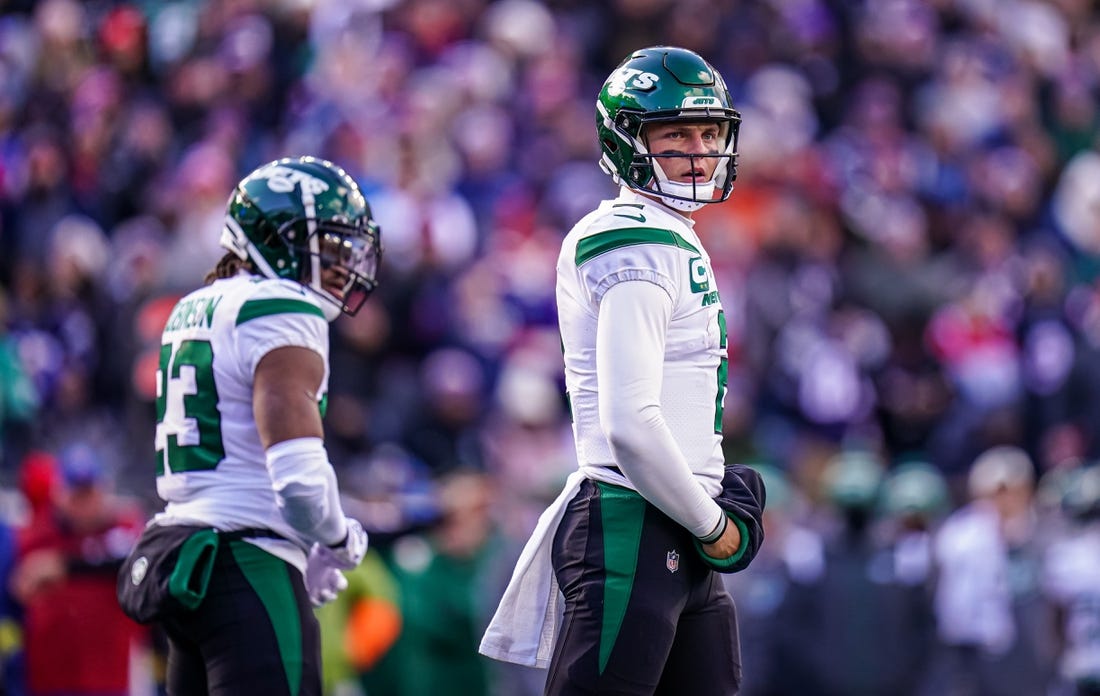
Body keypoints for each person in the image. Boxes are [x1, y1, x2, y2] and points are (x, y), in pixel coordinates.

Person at [480, 46, 765, 695]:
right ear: (627, 141)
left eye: (708, 131)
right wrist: (714, 525)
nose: (698, 150)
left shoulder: (668, 231)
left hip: (671, 526)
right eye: (675, 133)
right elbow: (632, 424)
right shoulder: (636, 236)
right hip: (636, 520)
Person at [131, 156, 383, 695]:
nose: (343, 263)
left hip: (187, 559)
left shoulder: (194, 305)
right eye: (330, 244)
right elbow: (298, 477)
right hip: (248, 562)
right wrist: (338, 540)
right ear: (278, 239)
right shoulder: (281, 307)